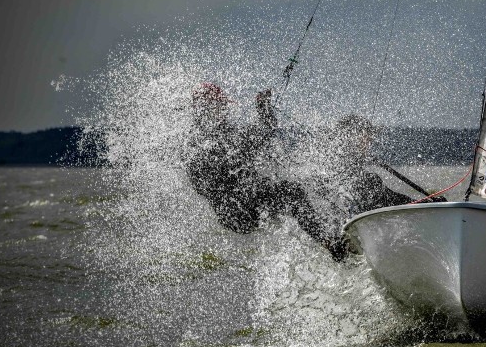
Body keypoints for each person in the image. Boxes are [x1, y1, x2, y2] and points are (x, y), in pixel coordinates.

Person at [185, 83, 348, 260]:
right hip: (236, 210)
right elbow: (202, 185)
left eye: (224, 106)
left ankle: (336, 231)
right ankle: (332, 244)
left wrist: (264, 107)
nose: (224, 110)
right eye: (220, 106)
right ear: (206, 108)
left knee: (300, 188)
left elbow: (265, 130)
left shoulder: (218, 135)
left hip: (244, 203)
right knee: (292, 193)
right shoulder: (197, 143)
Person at [329, 114, 443, 216]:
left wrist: (426, 202)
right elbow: (391, 200)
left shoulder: (335, 165)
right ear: (350, 137)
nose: (369, 142)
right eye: (365, 137)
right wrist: (426, 204)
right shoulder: (361, 178)